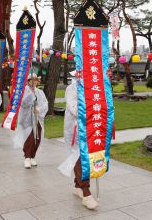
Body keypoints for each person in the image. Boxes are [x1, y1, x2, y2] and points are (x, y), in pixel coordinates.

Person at [58, 71, 99, 210]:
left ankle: (78, 186)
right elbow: (75, 108)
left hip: (90, 128)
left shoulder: (92, 87)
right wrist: (90, 104)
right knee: (79, 160)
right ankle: (86, 193)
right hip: (76, 131)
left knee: (86, 159)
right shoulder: (72, 89)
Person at [13, 73, 48, 169]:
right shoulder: (24, 91)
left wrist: (39, 109)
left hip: (38, 118)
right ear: (28, 81)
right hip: (27, 119)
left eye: (36, 80)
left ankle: (33, 156)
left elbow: (45, 103)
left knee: (37, 137)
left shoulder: (40, 92)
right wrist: (31, 97)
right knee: (30, 137)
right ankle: (27, 157)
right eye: (32, 80)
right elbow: (23, 103)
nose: (34, 82)